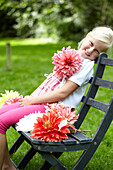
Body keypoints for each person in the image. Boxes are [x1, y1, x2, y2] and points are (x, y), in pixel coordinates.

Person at [0, 26, 113, 170]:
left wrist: (31, 101)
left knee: (1, 122)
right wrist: (31, 98)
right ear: (87, 36)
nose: (90, 51)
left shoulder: (86, 65)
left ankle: (4, 166)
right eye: (91, 44)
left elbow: (62, 93)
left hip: (53, 110)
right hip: (44, 103)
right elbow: (50, 82)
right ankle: (7, 165)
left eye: (97, 51)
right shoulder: (73, 56)